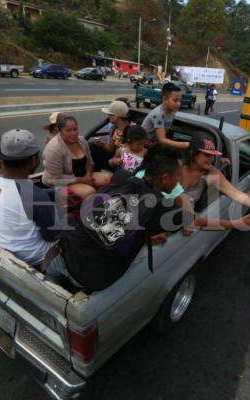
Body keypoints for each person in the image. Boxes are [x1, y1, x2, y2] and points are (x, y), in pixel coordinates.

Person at [44, 144, 194, 291]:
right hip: (91, 277)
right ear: (165, 178)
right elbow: (188, 217)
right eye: (179, 174)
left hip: (63, 256)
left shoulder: (122, 177)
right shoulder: (164, 211)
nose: (179, 180)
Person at [0, 129, 60, 270]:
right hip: (34, 259)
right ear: (33, 160)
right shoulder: (35, 196)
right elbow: (51, 236)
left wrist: (52, 193)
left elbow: (11, 196)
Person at [180, 132, 250, 218]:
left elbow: (235, 193)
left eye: (213, 155)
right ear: (193, 153)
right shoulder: (177, 165)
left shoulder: (212, 174)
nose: (212, 159)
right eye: (207, 155)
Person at [42, 115, 111, 200]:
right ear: (60, 131)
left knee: (109, 179)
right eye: (68, 130)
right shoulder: (54, 149)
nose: (73, 133)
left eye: (75, 129)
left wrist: (88, 175)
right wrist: (83, 180)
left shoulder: (81, 141)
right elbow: (57, 179)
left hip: (83, 175)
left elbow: (90, 162)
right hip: (62, 182)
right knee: (89, 192)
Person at [141, 82, 187, 150]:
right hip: (144, 145)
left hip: (155, 144)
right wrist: (183, 145)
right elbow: (161, 139)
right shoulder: (158, 114)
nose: (178, 104)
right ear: (165, 99)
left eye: (180, 101)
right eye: (175, 100)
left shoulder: (172, 112)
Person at [90, 99, 132, 171]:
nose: (108, 116)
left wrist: (114, 160)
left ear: (115, 117)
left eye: (110, 114)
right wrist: (103, 144)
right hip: (113, 157)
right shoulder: (113, 129)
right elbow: (111, 148)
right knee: (90, 146)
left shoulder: (131, 131)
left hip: (122, 162)